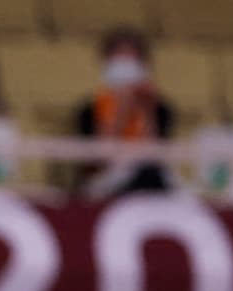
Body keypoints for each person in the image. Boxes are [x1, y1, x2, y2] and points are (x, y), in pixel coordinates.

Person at [75, 27, 176, 196]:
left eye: (131, 57)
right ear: (106, 61)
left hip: (148, 179)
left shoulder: (159, 108)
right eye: (119, 57)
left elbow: (156, 155)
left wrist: (147, 110)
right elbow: (97, 162)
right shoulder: (88, 110)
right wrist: (122, 109)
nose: (125, 64)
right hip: (105, 182)